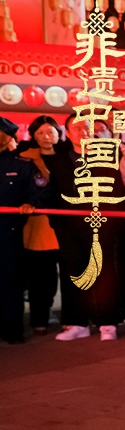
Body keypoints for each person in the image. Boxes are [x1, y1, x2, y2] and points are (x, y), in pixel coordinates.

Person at [47, 115, 125, 341]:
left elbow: (121, 190)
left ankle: (108, 322)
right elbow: (52, 192)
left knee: (105, 272)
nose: (83, 132)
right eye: (77, 128)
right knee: (73, 272)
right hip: (69, 226)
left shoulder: (110, 155)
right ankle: (76, 322)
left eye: (87, 128)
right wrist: (57, 223)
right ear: (68, 132)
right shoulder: (59, 158)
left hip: (103, 223)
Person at [0, 117, 45, 344]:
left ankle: (12, 329)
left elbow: (39, 193)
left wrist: (31, 205)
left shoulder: (21, 164)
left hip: (8, 232)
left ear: (8, 136)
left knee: (10, 281)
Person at [17, 116, 63, 336]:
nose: (47, 136)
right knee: (40, 276)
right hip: (38, 226)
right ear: (33, 136)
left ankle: (72, 318)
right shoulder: (24, 159)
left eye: (51, 131)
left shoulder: (68, 156)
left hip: (67, 225)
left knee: (68, 275)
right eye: (41, 133)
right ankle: (39, 318)